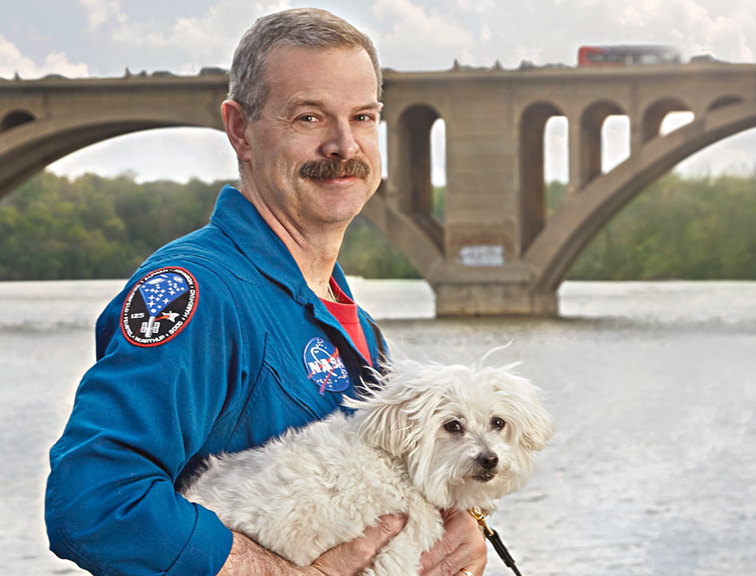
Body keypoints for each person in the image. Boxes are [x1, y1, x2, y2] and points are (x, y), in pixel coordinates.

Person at [45, 8, 488, 576]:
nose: (343, 144)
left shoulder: (344, 316)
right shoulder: (201, 294)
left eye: (363, 116)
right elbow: (93, 501)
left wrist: (462, 527)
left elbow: (401, 469)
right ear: (240, 130)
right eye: (308, 117)